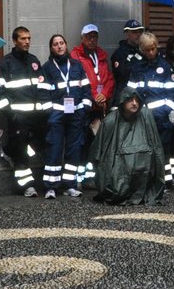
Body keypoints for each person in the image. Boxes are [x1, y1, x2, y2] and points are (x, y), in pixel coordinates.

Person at [0, 26, 46, 197]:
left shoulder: (34, 60)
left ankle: (41, 182)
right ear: (15, 41)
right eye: (23, 39)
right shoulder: (5, 63)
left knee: (39, 149)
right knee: (21, 153)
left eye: (29, 38)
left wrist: (44, 109)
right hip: (18, 118)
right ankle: (26, 186)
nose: (27, 42)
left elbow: (42, 87)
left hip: (37, 118)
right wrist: (12, 114)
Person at [90, 90, 166, 206]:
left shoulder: (146, 116)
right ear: (122, 102)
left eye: (137, 100)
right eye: (130, 100)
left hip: (144, 165)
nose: (134, 103)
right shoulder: (110, 121)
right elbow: (98, 152)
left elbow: (156, 146)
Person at [123, 32, 174, 180]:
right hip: (141, 117)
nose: (151, 52)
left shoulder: (165, 67)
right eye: (147, 50)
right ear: (142, 49)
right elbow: (130, 92)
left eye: (153, 49)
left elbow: (172, 93)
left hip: (161, 119)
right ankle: (148, 180)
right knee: (144, 149)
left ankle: (165, 180)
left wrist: (164, 111)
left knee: (163, 150)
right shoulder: (137, 68)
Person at [41, 33, 92, 198]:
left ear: (66, 45)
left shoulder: (76, 65)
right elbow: (43, 93)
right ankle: (51, 187)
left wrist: (84, 108)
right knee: (54, 150)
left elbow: (86, 88)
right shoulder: (47, 67)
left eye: (61, 43)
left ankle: (70, 185)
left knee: (74, 150)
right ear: (51, 48)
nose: (59, 46)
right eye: (55, 44)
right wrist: (50, 112)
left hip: (76, 114)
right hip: (57, 116)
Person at [73, 23, 113, 183]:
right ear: (82, 38)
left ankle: (92, 177)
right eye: (88, 36)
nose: (92, 39)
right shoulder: (76, 56)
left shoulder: (102, 56)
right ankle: (79, 177)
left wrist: (104, 94)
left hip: (99, 107)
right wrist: (95, 95)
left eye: (94, 36)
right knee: (82, 142)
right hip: (85, 107)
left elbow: (109, 79)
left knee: (96, 142)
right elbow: (81, 81)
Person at [111, 18, 146, 98]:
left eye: (140, 32)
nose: (138, 35)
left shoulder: (145, 51)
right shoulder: (119, 53)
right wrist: (137, 56)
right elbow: (123, 73)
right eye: (134, 32)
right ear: (127, 34)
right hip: (125, 95)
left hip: (143, 93)